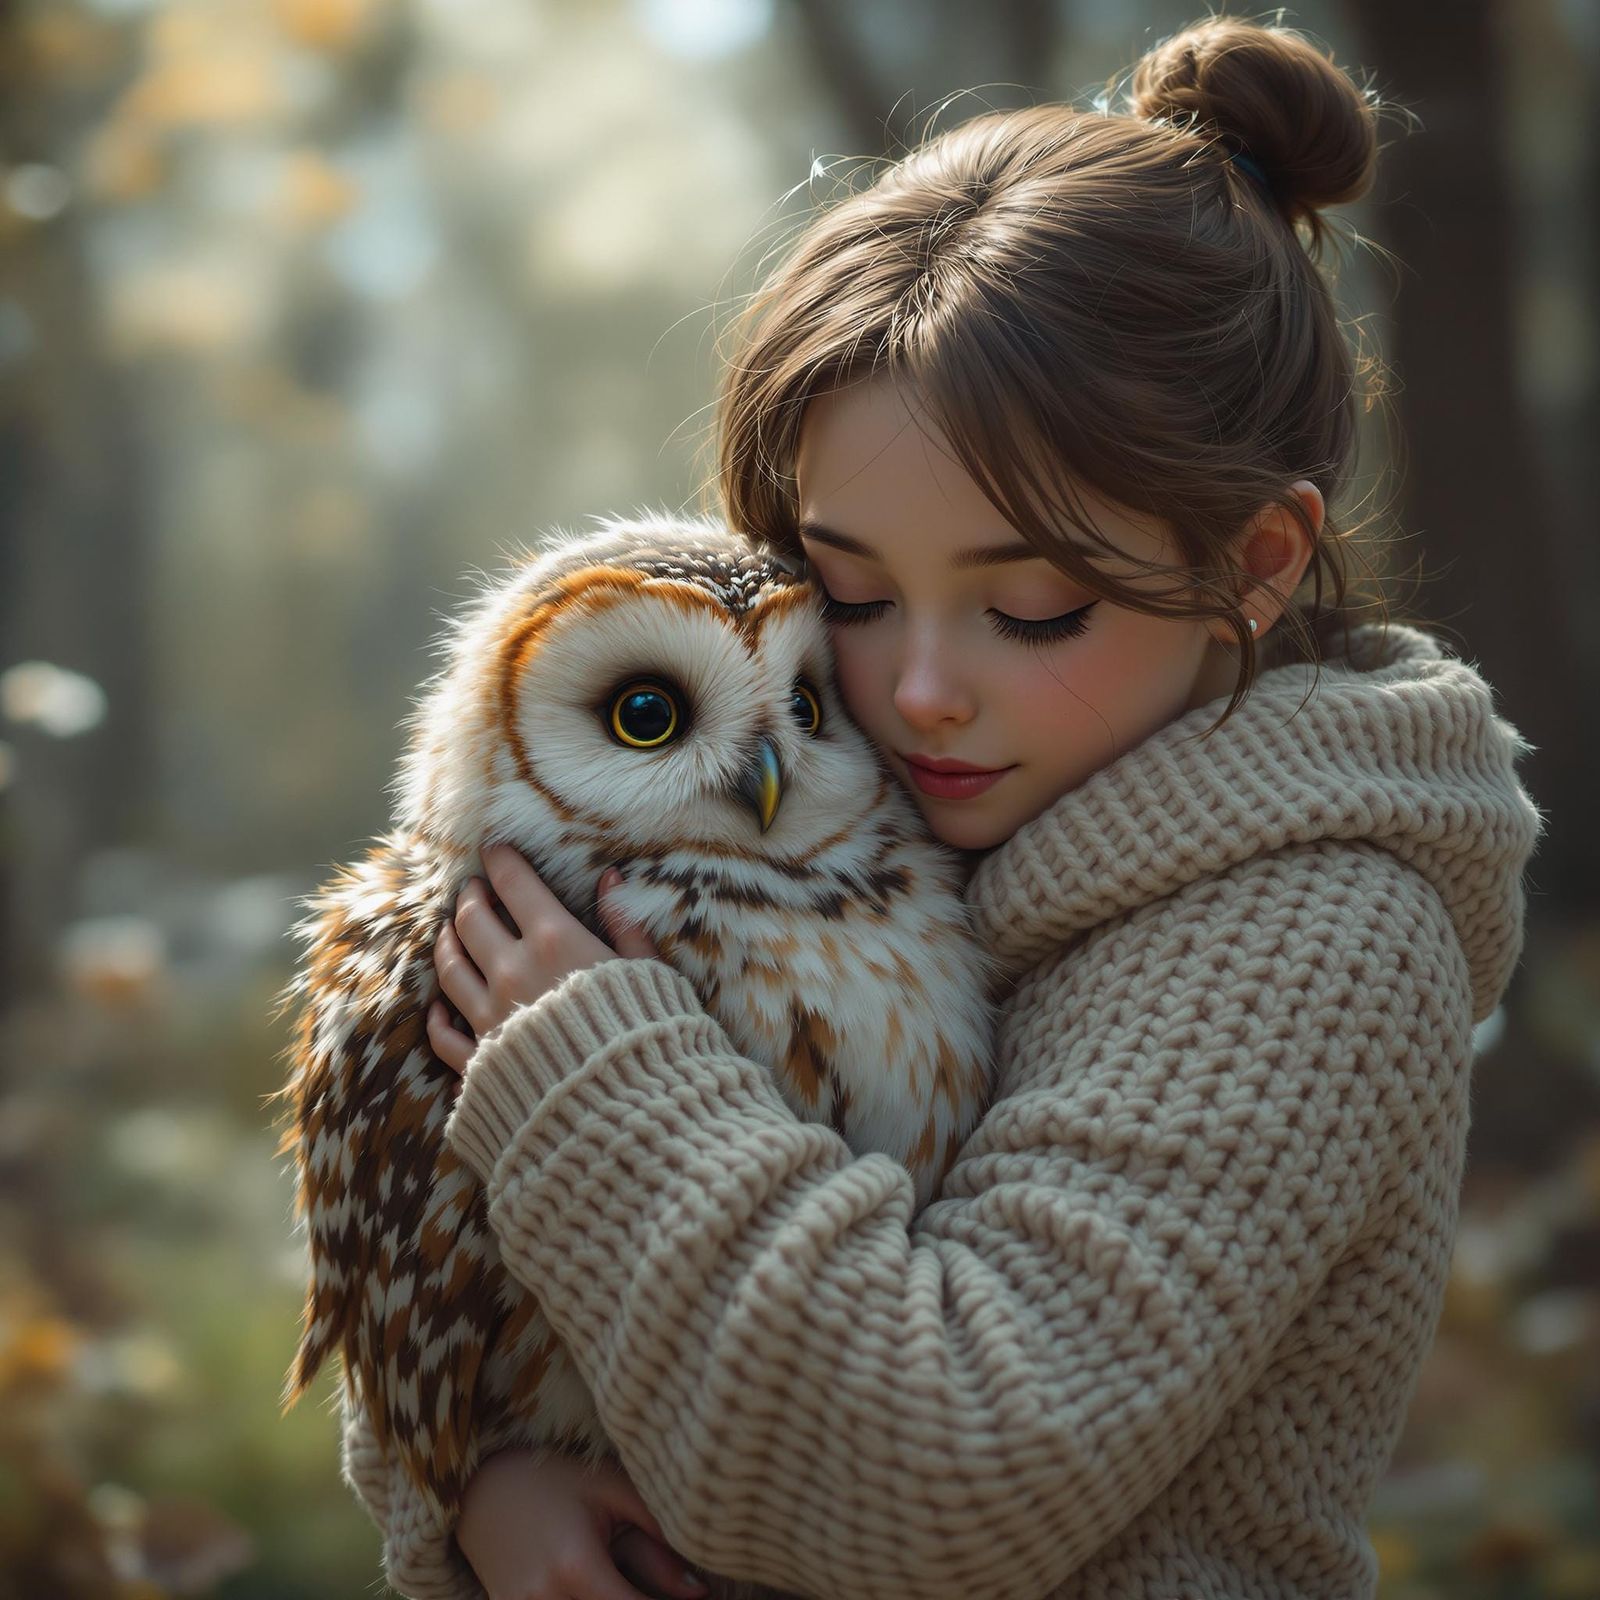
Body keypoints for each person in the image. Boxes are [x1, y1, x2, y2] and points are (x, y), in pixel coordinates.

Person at [335, 15, 1544, 1599]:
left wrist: (590, 1074)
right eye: (847, 593)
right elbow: (421, 1244)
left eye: (1031, 608)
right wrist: (481, 1474)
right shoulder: (857, 792)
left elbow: (946, 1476)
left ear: (1253, 564)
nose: (913, 692)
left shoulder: (1316, 937)